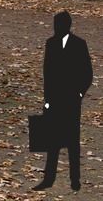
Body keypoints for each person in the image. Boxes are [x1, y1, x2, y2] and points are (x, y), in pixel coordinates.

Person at [38, 10, 92, 191]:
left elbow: (87, 73)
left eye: (59, 25)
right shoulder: (50, 43)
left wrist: (78, 95)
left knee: (72, 142)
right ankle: (48, 179)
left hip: (71, 100)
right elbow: (48, 73)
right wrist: (47, 100)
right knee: (52, 142)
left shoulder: (79, 44)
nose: (56, 28)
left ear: (66, 26)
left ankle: (74, 180)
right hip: (54, 99)